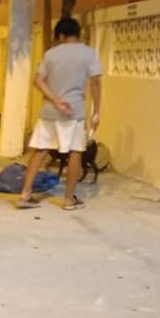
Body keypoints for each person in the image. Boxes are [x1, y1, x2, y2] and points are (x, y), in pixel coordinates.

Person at [15, 17, 102, 211]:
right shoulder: (88, 53)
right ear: (77, 34)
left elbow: (38, 81)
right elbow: (95, 83)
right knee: (75, 152)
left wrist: (55, 100)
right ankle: (69, 199)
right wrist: (96, 111)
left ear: (61, 35)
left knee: (40, 150)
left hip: (49, 111)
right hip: (74, 111)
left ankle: (25, 195)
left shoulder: (51, 54)